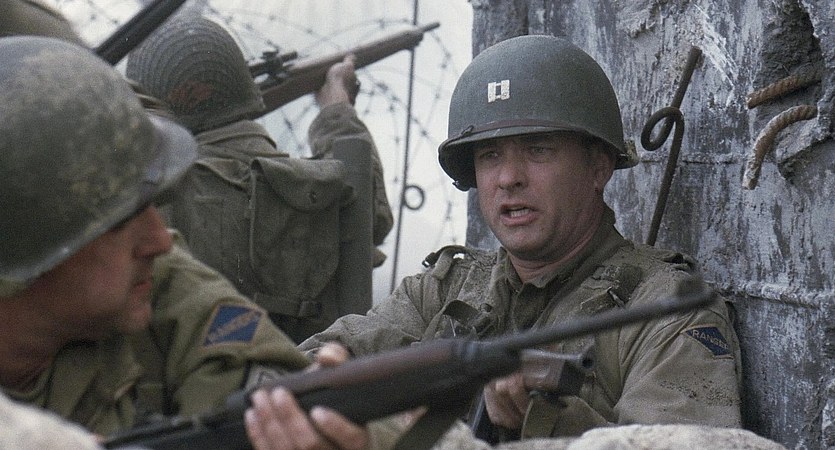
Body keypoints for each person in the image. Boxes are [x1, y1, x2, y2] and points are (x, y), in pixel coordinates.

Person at [296, 34, 744, 444]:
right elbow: (304, 366)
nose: (509, 178)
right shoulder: (444, 289)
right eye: (490, 155)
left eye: (537, 150)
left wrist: (547, 418)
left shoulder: (667, 312)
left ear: (598, 167)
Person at [0, 35, 395, 450]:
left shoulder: (159, 286)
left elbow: (273, 396)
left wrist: (333, 432)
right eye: (120, 220)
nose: (159, 240)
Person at [125, 16, 395, 342]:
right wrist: (337, 109)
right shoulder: (319, 188)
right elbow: (372, 217)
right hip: (313, 369)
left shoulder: (150, 194)